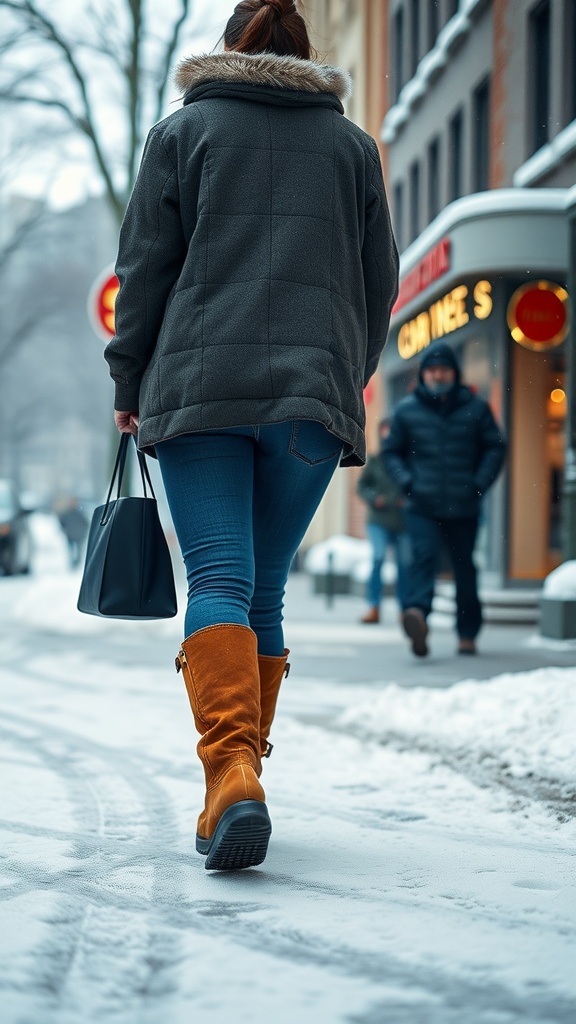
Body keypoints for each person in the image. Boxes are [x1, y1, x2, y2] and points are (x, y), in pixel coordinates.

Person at [104, 0, 398, 871]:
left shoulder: (182, 134)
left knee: (221, 578)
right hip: (311, 397)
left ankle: (231, 774)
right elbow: (378, 282)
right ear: (307, 57)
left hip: (201, 390)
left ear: (228, 48)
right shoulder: (351, 149)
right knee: (263, 588)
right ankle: (242, 775)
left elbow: (143, 270)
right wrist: (345, 373)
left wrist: (130, 380)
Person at [382, 341, 506, 658]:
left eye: (444, 369)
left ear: (455, 372)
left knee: (465, 569)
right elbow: (391, 453)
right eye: (433, 369)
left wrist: (478, 484)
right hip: (421, 504)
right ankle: (418, 617)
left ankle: (467, 634)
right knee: (422, 561)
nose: (438, 375)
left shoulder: (476, 408)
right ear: (424, 374)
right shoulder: (406, 410)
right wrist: (408, 483)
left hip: (464, 504)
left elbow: (495, 447)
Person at [356, 417, 409, 623]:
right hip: (378, 519)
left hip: (402, 521)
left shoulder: (406, 461)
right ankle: (373, 607)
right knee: (378, 559)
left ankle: (404, 609)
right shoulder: (375, 460)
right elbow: (361, 487)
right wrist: (373, 498)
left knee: (404, 564)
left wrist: (407, 499)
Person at [58, 500, 88, 569]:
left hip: (79, 535)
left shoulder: (80, 513)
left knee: (78, 550)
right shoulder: (66, 513)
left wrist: (83, 531)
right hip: (70, 535)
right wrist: (65, 530)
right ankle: (72, 562)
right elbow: (61, 522)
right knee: (71, 550)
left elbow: (85, 523)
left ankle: (77, 562)